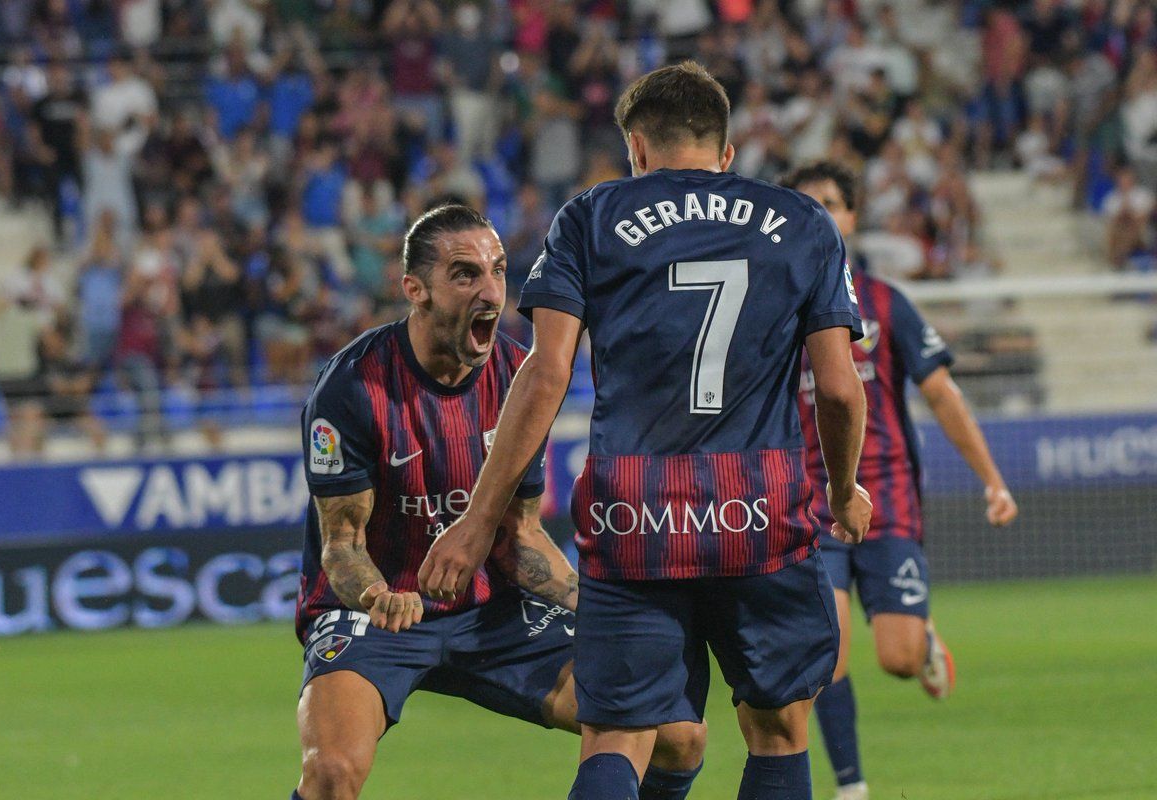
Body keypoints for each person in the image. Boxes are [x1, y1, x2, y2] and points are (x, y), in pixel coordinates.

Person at [420, 63, 872, 800]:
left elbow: (545, 373)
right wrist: (846, 489)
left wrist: (478, 520)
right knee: (780, 730)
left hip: (636, 515)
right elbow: (842, 391)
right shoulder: (803, 223)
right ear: (727, 154)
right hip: (760, 510)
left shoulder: (590, 218)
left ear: (636, 147)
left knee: (619, 734)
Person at [291, 204, 705, 800]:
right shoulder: (353, 385)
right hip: (377, 616)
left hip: (494, 614)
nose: (491, 292)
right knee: (331, 773)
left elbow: (521, 534)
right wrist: (380, 596)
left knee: (677, 734)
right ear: (416, 290)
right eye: (465, 274)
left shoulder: (520, 376)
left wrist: (598, 609)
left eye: (499, 271)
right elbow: (342, 546)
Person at [783, 161, 1019, 800]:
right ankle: (852, 787)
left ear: (853, 216)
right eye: (807, 204)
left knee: (897, 658)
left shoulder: (885, 303)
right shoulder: (771, 312)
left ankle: (922, 638)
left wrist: (992, 479)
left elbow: (941, 394)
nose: (821, 213)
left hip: (887, 501)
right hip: (814, 504)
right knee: (825, 653)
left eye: (832, 202)